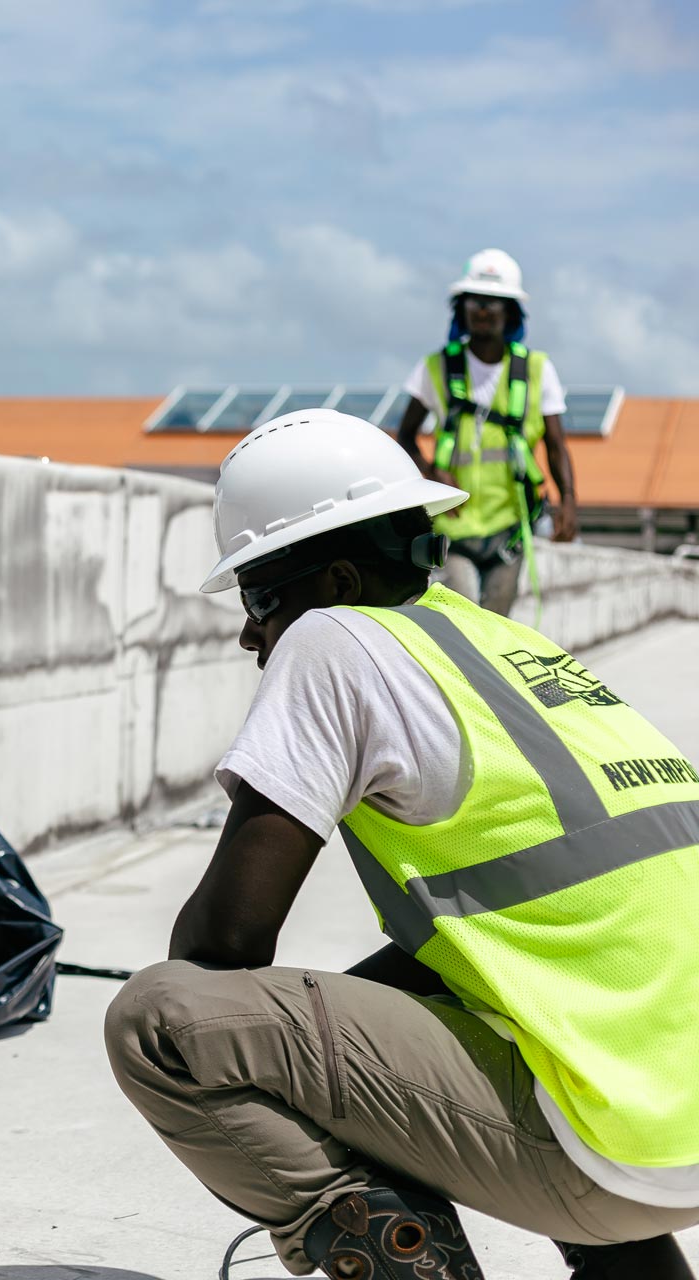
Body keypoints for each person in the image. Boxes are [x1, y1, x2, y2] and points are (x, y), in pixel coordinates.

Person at [104, 411, 699, 1280]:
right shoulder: (508, 644)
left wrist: (335, 1086)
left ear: (338, 579)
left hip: (620, 1149)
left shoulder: (334, 637)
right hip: (670, 1119)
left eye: (258, 600)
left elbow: (222, 945)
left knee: (161, 1020)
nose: (249, 634)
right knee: (458, 1011)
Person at [396, 248, 579, 616]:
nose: (483, 310)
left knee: (496, 623)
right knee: (463, 619)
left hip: (510, 528)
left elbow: (556, 445)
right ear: (462, 307)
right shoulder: (436, 367)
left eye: (493, 302)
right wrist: (431, 473)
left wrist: (570, 500)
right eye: (475, 300)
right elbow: (406, 435)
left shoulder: (537, 369)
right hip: (454, 527)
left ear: (510, 311)